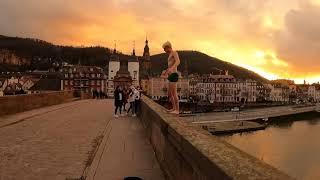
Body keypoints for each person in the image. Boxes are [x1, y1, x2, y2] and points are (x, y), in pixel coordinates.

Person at [161, 41, 180, 115]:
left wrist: (172, 68)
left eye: (165, 49)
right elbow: (169, 67)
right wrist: (165, 71)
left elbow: (178, 61)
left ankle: (177, 110)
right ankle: (174, 108)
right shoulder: (169, 55)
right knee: (169, 93)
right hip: (170, 75)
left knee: (174, 93)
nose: (164, 50)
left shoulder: (174, 52)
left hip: (174, 74)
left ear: (168, 47)